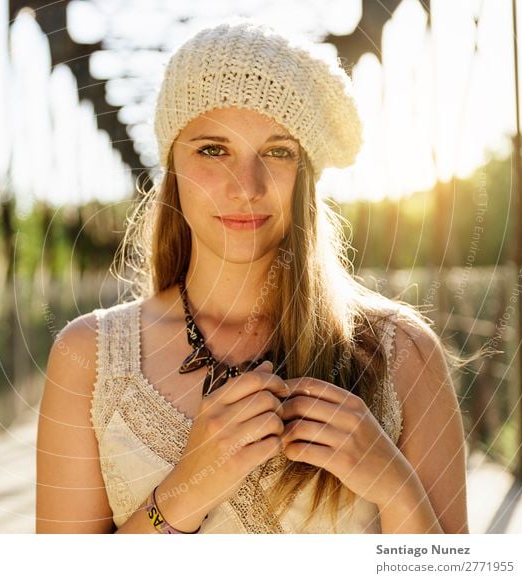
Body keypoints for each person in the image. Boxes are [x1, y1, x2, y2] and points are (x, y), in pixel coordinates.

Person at [36, 17, 470, 534]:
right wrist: (183, 492)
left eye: (278, 151)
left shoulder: (403, 353)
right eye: (212, 149)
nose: (245, 186)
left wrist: (396, 488)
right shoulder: (89, 357)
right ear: (171, 164)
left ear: (306, 176)